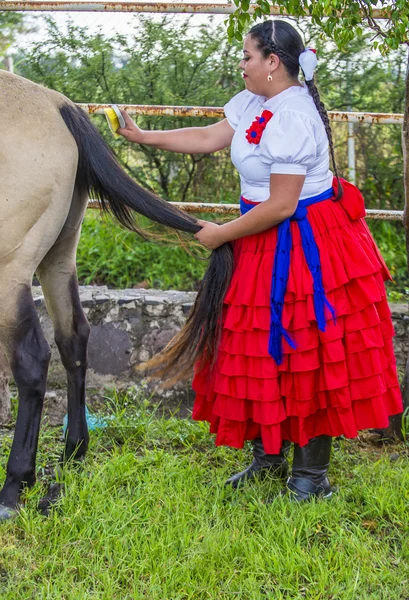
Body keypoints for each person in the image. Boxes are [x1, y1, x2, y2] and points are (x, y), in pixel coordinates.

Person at [118, 19, 403, 501]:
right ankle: (267, 456)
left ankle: (311, 479)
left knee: (305, 348)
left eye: (247, 56)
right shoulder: (255, 101)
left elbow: (282, 204)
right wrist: (144, 138)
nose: (241, 64)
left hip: (303, 243)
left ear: (273, 62)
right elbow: (210, 136)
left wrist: (220, 234)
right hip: (259, 236)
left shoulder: (293, 116)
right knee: (253, 345)